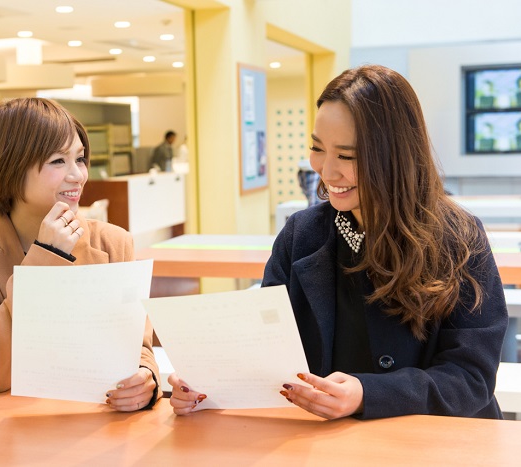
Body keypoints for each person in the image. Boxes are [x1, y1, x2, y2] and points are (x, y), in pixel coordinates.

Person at [169, 65, 507, 420]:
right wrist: (203, 383)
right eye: (317, 148)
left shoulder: (458, 238)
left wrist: (367, 394)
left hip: (433, 443)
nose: (327, 171)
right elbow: (264, 349)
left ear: (395, 155)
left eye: (346, 156)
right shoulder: (302, 235)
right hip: (325, 444)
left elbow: (471, 378)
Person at [0, 97, 159, 411]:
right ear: (9, 167)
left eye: (80, 159)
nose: (78, 175)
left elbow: (138, 349)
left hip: (102, 428)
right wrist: (45, 258)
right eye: (59, 161)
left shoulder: (114, 243)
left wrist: (145, 379)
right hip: (10, 431)